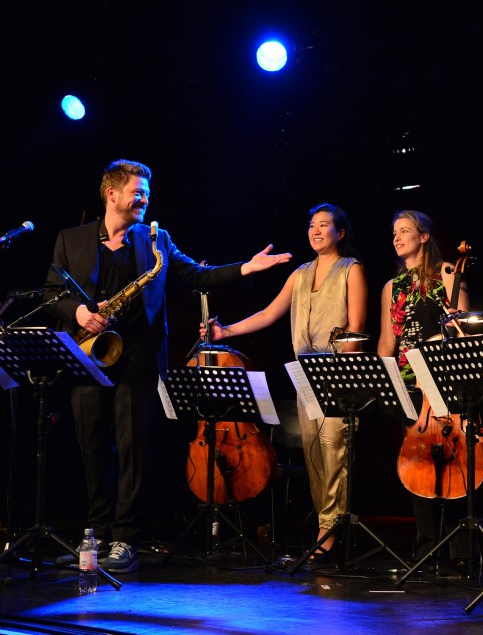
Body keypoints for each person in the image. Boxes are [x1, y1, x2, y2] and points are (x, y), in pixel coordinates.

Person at [42, 159, 291, 573]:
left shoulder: (156, 241)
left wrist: (246, 267)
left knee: (134, 450)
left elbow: (197, 276)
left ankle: (125, 538)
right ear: (112, 193)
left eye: (146, 193)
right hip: (90, 354)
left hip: (138, 357)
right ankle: (97, 533)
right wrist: (81, 313)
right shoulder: (70, 240)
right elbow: (53, 294)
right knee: (91, 447)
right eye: (137, 191)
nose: (144, 198)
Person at [201, 203, 367, 562]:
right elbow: (268, 314)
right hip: (305, 378)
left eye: (324, 225)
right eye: (312, 225)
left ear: (340, 232)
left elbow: (356, 328)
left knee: (336, 451)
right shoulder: (300, 274)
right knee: (315, 458)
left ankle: (330, 533)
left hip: (337, 375)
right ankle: (327, 527)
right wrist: (224, 330)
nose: (316, 230)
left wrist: (342, 374)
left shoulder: (351, 270)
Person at [377, 209, 471, 567]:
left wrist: (446, 331)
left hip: (442, 381)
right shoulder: (392, 287)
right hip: (408, 384)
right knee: (418, 465)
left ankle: (460, 549)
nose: (398, 237)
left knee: (454, 461)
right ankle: (428, 548)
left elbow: (461, 328)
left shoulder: (448, 273)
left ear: (424, 236)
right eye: (394, 232)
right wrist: (383, 386)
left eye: (405, 231)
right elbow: (388, 342)